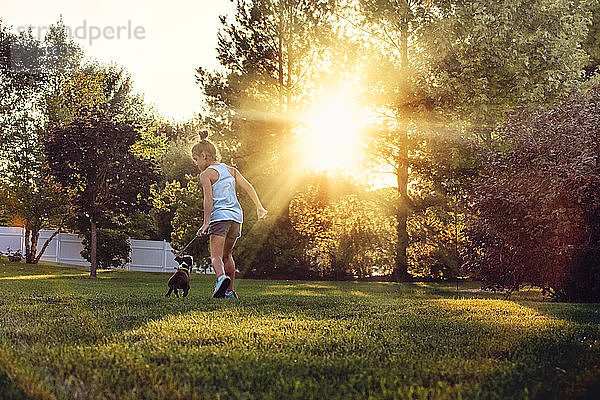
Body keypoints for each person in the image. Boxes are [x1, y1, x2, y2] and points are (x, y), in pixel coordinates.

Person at [192, 130, 268, 298]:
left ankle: (221, 280)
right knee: (228, 255)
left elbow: (208, 200)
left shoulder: (206, 174)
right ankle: (230, 291)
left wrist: (206, 223)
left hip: (220, 218)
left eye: (196, 159)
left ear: (204, 156)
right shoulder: (231, 170)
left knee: (216, 256)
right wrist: (259, 207)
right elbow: (248, 186)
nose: (196, 163)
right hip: (236, 218)